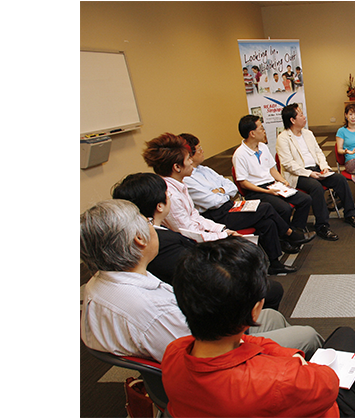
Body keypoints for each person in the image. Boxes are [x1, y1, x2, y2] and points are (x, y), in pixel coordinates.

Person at [162, 236, 355, 418]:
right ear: (255, 310)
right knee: (347, 338)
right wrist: (296, 362)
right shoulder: (281, 379)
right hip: (328, 408)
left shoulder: (173, 353)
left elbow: (252, 342)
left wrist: (291, 358)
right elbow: (328, 382)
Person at [80, 199, 323, 362]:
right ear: (139, 240)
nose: (150, 224)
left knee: (273, 316)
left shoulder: (98, 285)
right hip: (218, 359)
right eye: (144, 221)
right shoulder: (153, 310)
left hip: (199, 340)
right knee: (308, 335)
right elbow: (207, 355)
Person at [111, 172, 285, 309]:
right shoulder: (159, 242)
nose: (169, 196)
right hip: (203, 296)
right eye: (166, 195)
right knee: (270, 287)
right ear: (159, 206)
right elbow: (196, 274)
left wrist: (223, 232)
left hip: (197, 272)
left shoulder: (137, 236)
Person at [142, 132, 298, 275]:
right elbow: (189, 232)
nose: (191, 162)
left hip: (215, 219)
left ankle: (274, 262)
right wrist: (223, 234)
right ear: (177, 167)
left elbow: (197, 215)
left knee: (267, 221)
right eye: (188, 158)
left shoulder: (181, 184)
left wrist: (221, 229)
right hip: (195, 243)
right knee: (264, 211)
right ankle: (288, 236)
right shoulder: (172, 195)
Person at [180, 133, 315, 255]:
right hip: (217, 214)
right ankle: (290, 234)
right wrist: (222, 192)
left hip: (231, 204)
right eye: (199, 148)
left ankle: (276, 262)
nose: (202, 150)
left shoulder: (205, 170)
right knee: (268, 208)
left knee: (270, 220)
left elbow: (231, 187)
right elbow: (213, 202)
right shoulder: (187, 179)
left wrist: (220, 191)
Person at [276, 104, 355, 238]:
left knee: (339, 179)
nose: (304, 117)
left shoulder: (308, 133)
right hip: (298, 174)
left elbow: (318, 153)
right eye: (300, 115)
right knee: (316, 187)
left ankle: (350, 215)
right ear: (292, 120)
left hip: (316, 169)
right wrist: (309, 174)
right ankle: (322, 226)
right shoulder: (283, 138)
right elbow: (288, 164)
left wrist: (324, 167)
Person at [232, 114, 317, 237]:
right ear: (252, 134)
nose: (264, 131)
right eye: (261, 128)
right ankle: (284, 237)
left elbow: (272, 169)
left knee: (305, 199)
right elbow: (243, 183)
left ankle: (295, 231)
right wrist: (266, 192)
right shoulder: (240, 154)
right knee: (284, 208)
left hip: (272, 185)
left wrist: (283, 181)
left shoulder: (262, 147)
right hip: (256, 190)